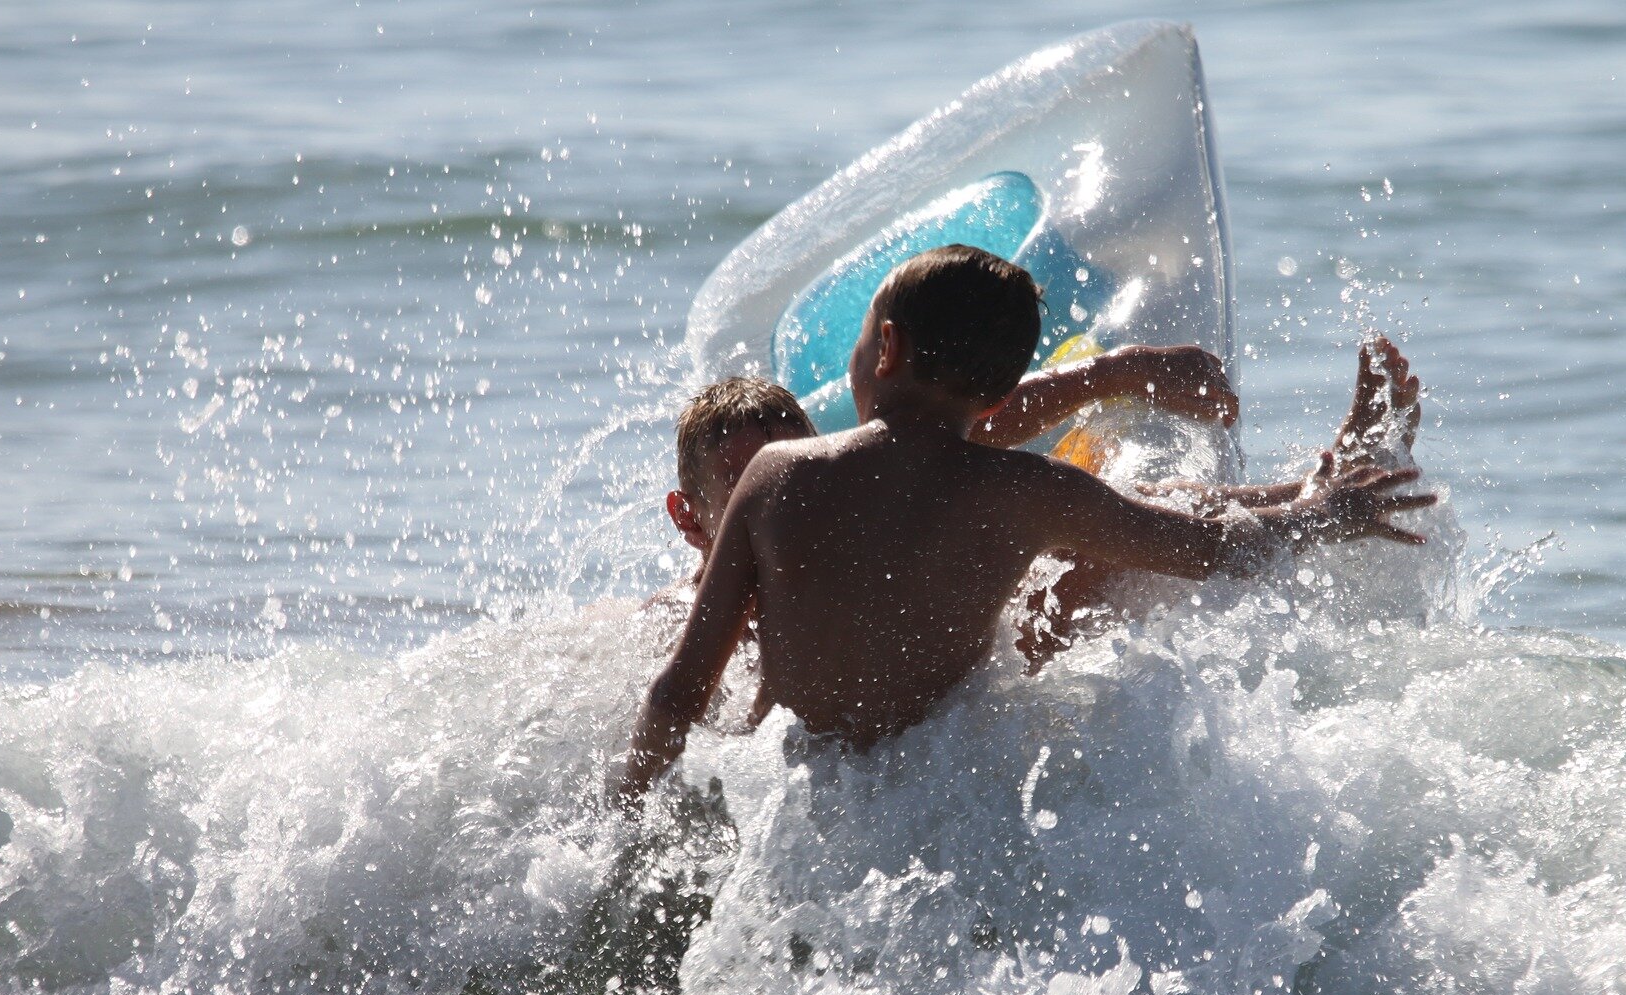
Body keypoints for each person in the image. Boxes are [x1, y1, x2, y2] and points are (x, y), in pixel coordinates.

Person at [610, 245, 1435, 807]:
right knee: (1127, 529)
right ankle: (1325, 481)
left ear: (885, 348)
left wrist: (625, 820)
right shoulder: (1031, 488)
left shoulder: (778, 475)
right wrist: (1322, 518)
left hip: (799, 796)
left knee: (1106, 540)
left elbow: (679, 689)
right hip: (939, 782)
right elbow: (1204, 550)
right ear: (1002, 398)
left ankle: (1316, 478)